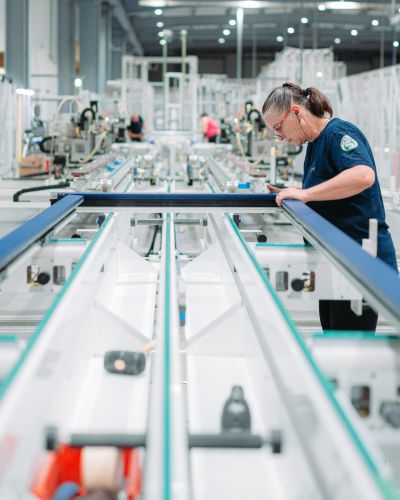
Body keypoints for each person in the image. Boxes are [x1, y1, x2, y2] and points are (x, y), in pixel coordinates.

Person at [262, 82, 398, 332]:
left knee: (350, 349)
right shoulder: (314, 144)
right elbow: (329, 191)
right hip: (335, 260)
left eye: (279, 128)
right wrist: (294, 194)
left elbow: (362, 176)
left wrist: (305, 194)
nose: (280, 137)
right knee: (334, 336)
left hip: (360, 260)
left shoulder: (338, 133)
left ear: (296, 111)